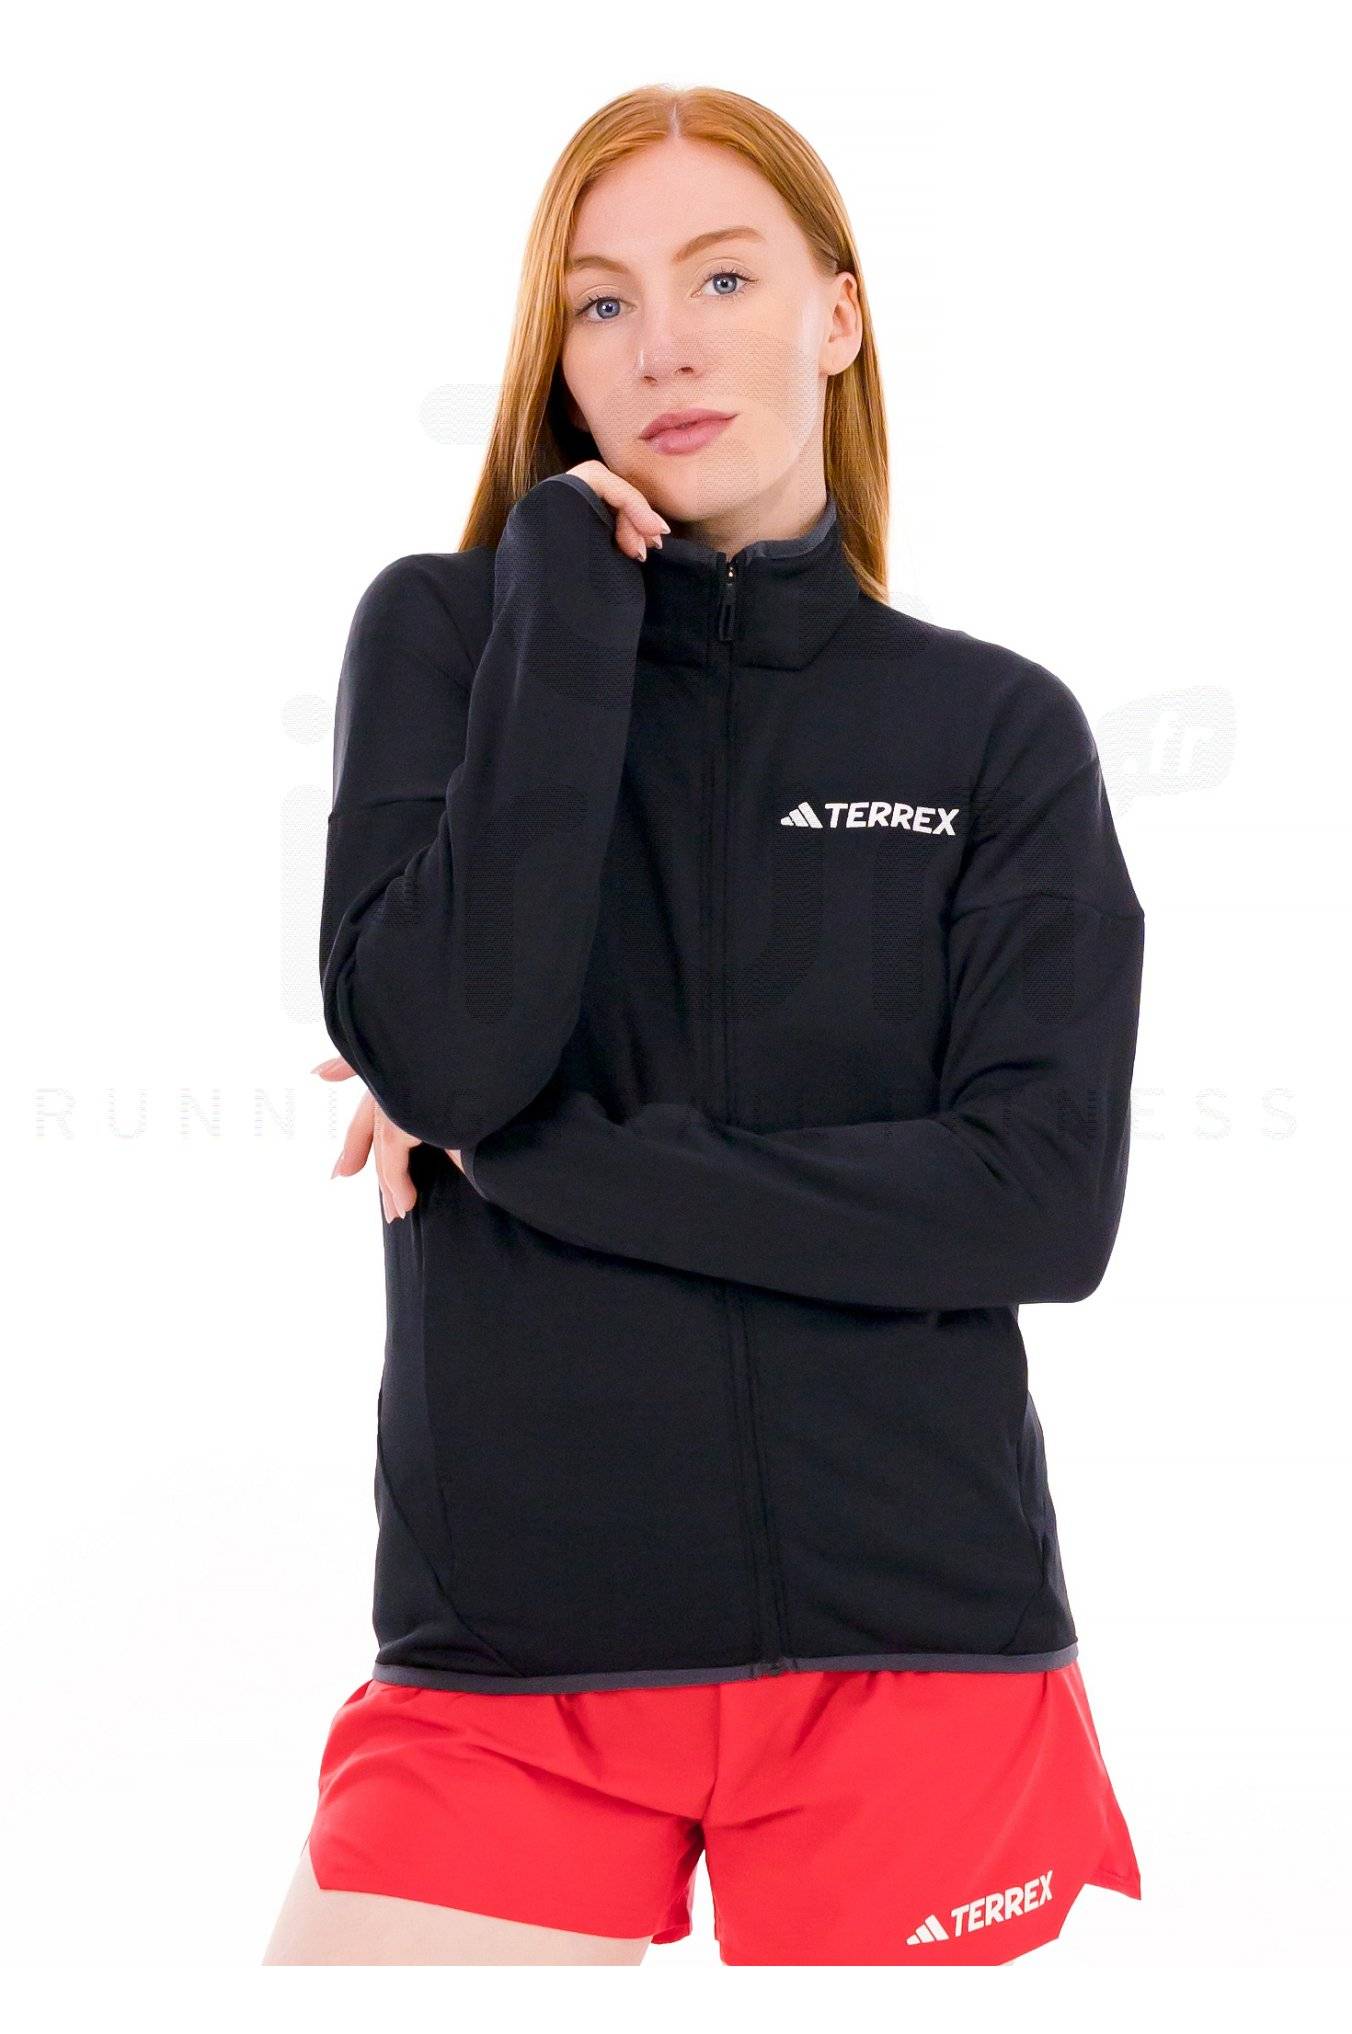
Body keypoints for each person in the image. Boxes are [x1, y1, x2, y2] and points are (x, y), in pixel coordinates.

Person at [263, 84, 1145, 1966]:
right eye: (600, 302)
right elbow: (451, 1047)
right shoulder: (446, 641)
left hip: (917, 1650)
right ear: (558, 358)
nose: (660, 342)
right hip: (510, 1663)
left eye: (722, 277)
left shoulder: (995, 730)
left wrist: (543, 1160)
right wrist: (566, 600)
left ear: (838, 315)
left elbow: (1039, 1205)